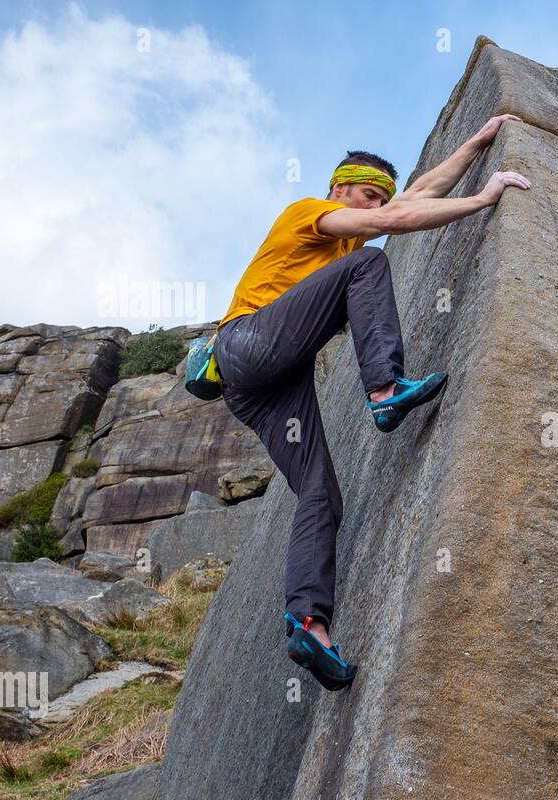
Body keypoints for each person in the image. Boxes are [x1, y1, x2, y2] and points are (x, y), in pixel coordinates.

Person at [212, 114, 531, 691]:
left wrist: (478, 143)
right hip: (248, 342)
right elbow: (394, 218)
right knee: (369, 262)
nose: (374, 206)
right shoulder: (308, 212)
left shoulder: (348, 236)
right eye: (365, 195)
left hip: (263, 386)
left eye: (378, 197)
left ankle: (310, 626)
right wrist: (486, 199)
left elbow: (416, 195)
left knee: (320, 494)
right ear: (339, 189)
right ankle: (384, 390)